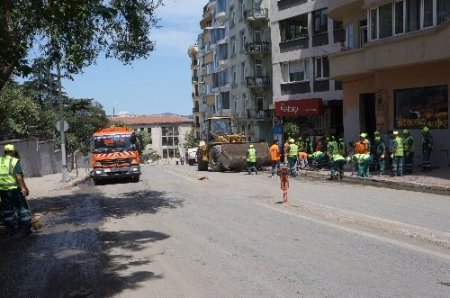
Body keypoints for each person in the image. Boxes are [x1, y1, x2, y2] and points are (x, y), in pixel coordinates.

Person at [0, 144, 32, 236]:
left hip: (3, 190)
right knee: (22, 208)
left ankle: (11, 230)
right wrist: (23, 188)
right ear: (12, 152)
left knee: (7, 210)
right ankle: (26, 228)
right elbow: (19, 176)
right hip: (14, 190)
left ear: (5, 152)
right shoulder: (14, 161)